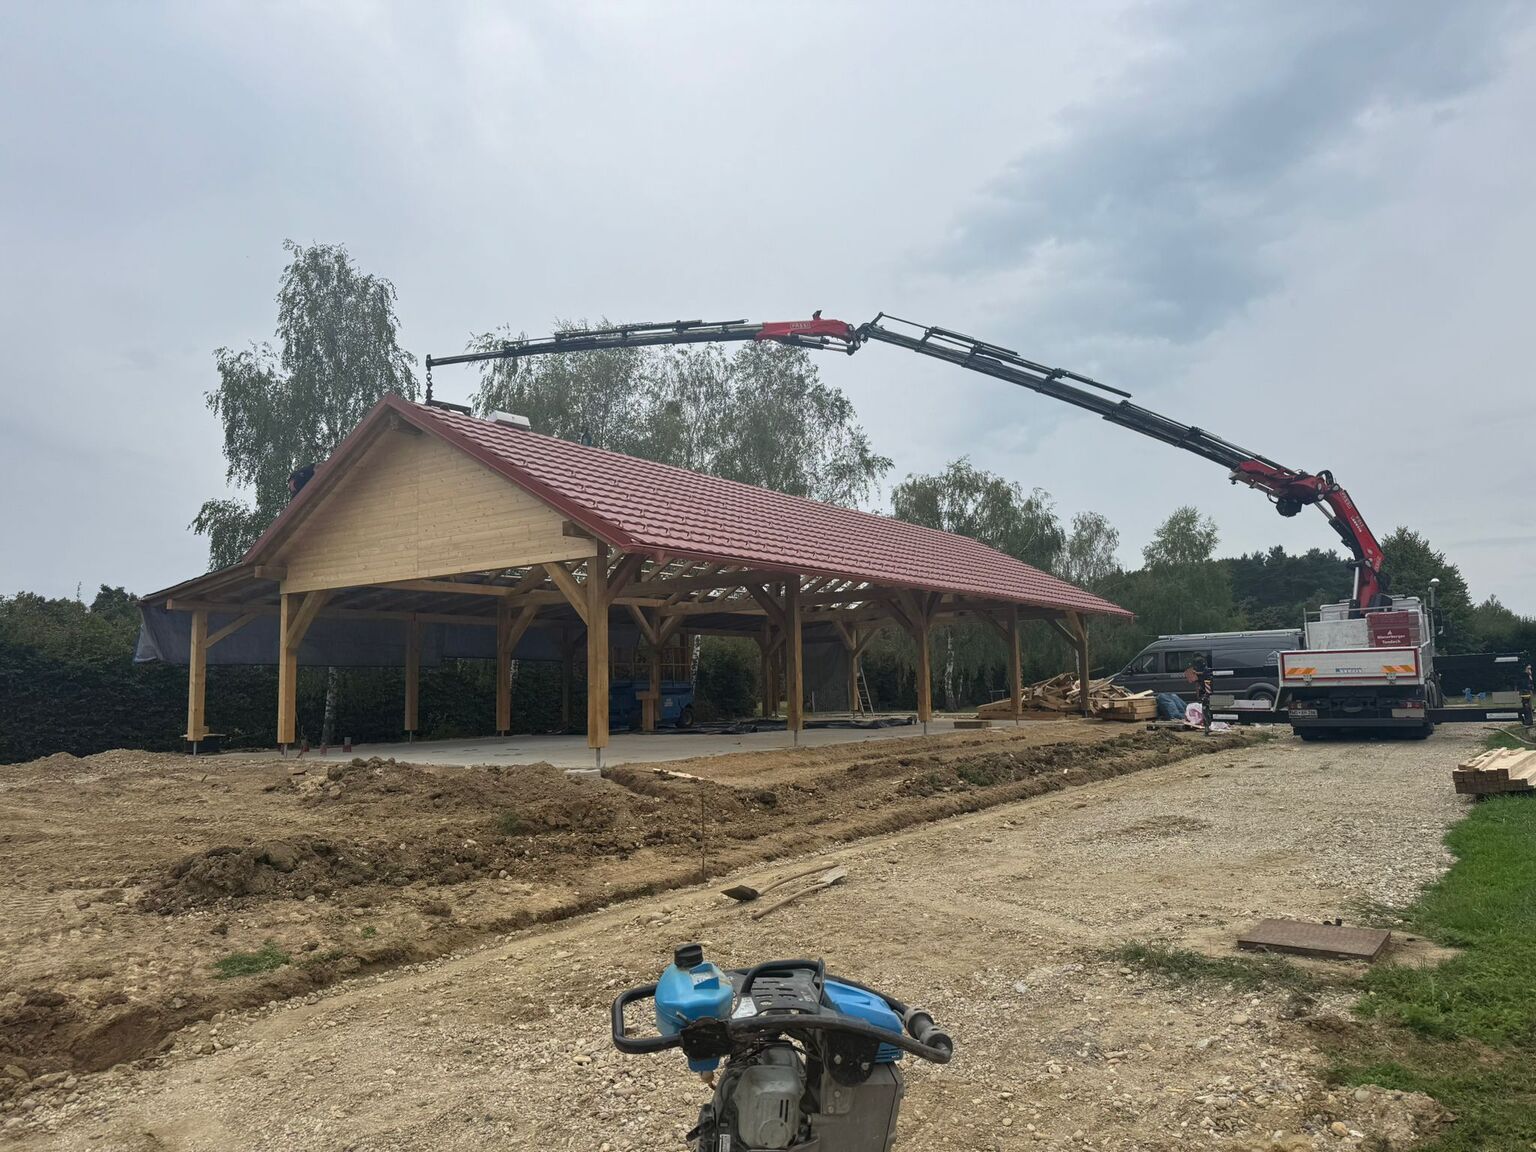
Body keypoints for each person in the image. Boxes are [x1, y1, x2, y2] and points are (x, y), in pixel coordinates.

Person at [1184, 661, 1214, 734]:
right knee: (1205, 709)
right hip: (1206, 696)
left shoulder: (1206, 676)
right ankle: (1207, 727)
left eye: (1188, 677)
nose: (1188, 680)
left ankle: (1207, 727)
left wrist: (1205, 696)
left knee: (1206, 709)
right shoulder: (1201, 678)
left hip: (1207, 697)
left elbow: (1208, 689)